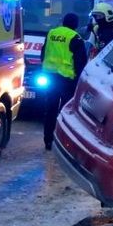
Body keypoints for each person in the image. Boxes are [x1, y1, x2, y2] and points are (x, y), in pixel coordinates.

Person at [40, 12, 88, 151]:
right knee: (65, 111)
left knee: (50, 109)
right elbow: (81, 62)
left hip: (50, 77)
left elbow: (43, 53)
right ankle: (62, 141)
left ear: (63, 22)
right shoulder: (76, 38)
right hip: (67, 80)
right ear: (76, 24)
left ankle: (48, 141)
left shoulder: (51, 33)